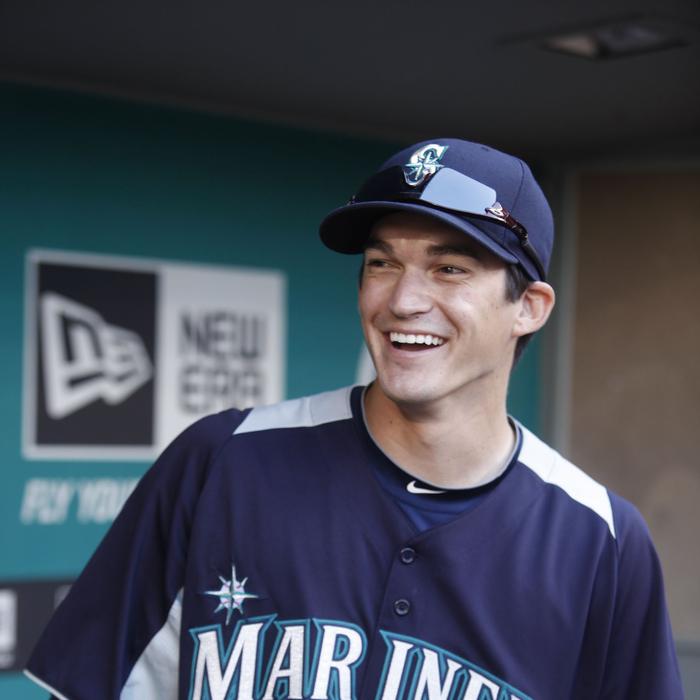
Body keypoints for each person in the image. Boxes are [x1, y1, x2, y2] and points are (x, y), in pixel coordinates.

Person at [25, 138, 683, 699]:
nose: (403, 299)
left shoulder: (602, 541)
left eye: (449, 268)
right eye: (382, 263)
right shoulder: (223, 459)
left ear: (529, 307)